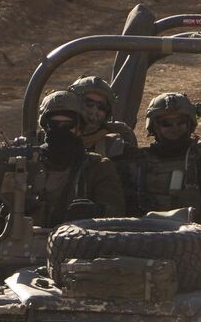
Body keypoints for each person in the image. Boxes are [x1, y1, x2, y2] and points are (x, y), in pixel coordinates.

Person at [17, 89, 127, 227]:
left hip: (79, 244)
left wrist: (96, 211)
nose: (60, 131)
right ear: (45, 127)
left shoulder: (98, 167)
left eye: (68, 125)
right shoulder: (25, 166)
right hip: (27, 244)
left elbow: (117, 215)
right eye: (54, 125)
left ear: (79, 128)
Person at [126, 91, 201, 220]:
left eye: (180, 122)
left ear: (190, 124)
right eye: (166, 123)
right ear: (154, 127)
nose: (174, 128)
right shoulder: (136, 165)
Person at [69, 75, 137, 159]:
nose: (94, 111)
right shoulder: (56, 132)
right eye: (89, 103)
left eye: (101, 106)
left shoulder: (116, 144)